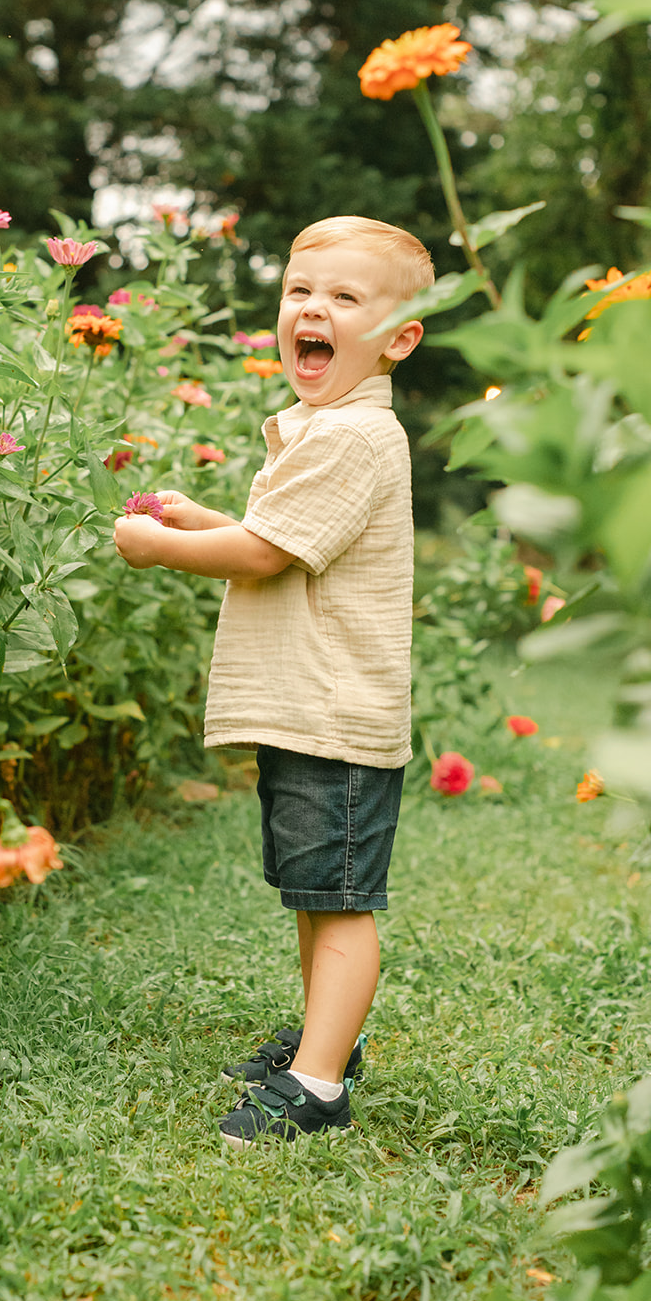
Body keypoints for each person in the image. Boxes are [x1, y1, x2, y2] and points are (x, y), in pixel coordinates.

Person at [113, 214, 433, 1146]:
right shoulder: (320, 431)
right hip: (309, 710)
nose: (313, 309)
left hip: (335, 712)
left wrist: (161, 544)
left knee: (339, 905)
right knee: (317, 895)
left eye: (344, 297)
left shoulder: (352, 439)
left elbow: (261, 553)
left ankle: (319, 1086)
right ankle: (322, 1045)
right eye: (300, 291)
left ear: (398, 340)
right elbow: (292, 542)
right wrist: (203, 515)